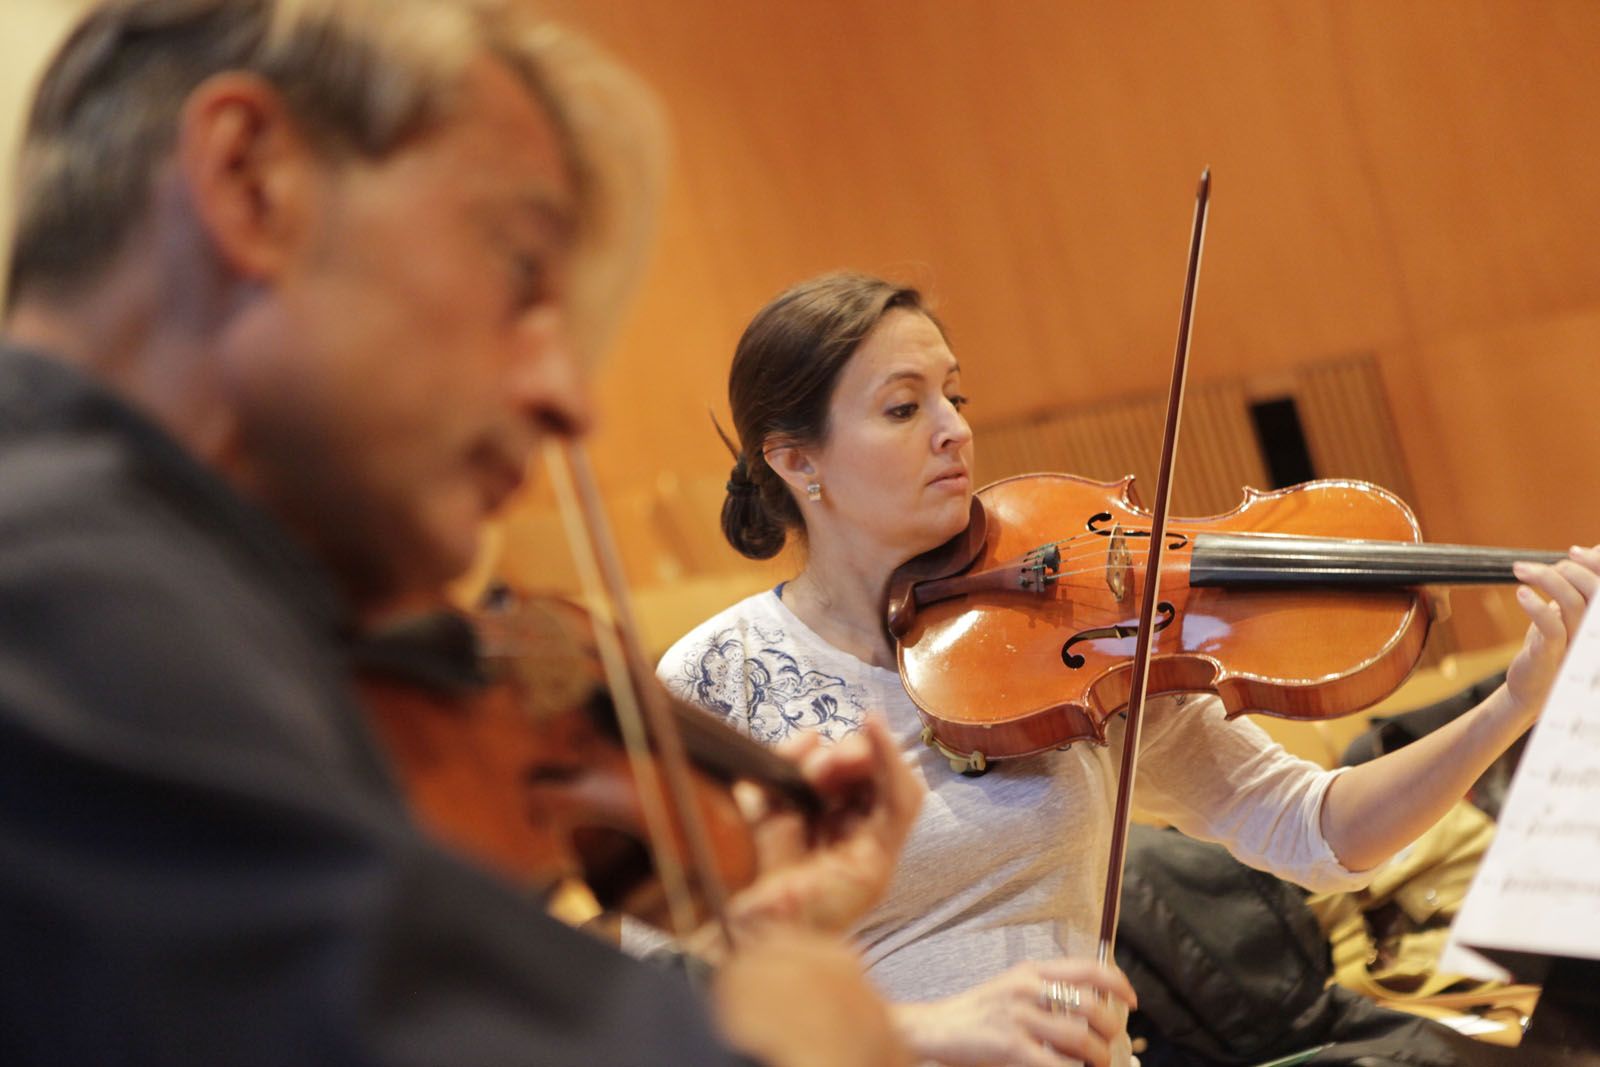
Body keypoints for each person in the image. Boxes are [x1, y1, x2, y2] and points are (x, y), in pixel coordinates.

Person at [0, 4, 924, 1065]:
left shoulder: (173, 600)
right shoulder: (70, 609)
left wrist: (779, 921)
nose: (567, 398)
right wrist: (811, 998)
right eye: (522, 274)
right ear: (250, 180)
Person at [656, 271, 1600, 1066]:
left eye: (956, 396)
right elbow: (657, 1000)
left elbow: (1319, 833)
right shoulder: (715, 682)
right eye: (904, 407)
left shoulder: (1078, 631)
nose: (954, 429)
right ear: (795, 461)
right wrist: (929, 1031)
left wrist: (1512, 708)